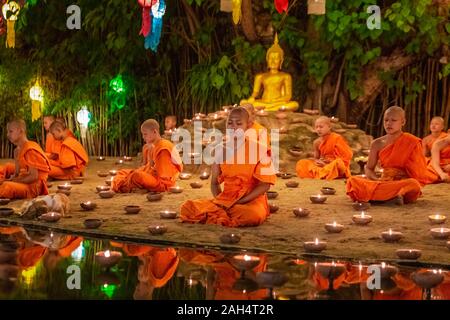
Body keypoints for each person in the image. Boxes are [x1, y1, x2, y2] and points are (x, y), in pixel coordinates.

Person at [180, 107, 276, 227]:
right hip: (226, 198)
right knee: (188, 208)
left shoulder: (259, 149)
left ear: (248, 126)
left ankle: (224, 213)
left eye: (239, 123)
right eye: (230, 123)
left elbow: (265, 185)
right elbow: (214, 183)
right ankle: (223, 211)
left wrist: (241, 201)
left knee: (252, 215)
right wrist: (220, 201)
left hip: (250, 201)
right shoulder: (220, 149)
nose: (233, 127)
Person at [346, 106, 438, 205]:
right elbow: (369, 168)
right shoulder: (377, 143)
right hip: (384, 182)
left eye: (393, 120)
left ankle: (378, 198)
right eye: (386, 120)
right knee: (353, 180)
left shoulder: (412, 142)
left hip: (402, 184)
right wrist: (377, 180)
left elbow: (419, 174)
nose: (388, 123)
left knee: (413, 184)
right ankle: (388, 198)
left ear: (403, 122)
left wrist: (401, 178)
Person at [112, 119, 182, 193]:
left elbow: (164, 176)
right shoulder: (148, 146)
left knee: (136, 176)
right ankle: (129, 184)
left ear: (155, 132)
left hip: (162, 183)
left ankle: (124, 186)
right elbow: (146, 166)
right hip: (150, 175)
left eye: (145, 134)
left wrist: (146, 170)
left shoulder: (163, 148)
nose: (143, 137)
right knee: (122, 172)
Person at [240, 34, 299, 112]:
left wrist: (276, 100)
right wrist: (252, 98)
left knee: (294, 104)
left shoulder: (285, 76)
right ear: (267, 60)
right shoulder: (260, 76)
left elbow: (288, 96)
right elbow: (255, 92)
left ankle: (265, 109)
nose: (273, 61)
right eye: (271, 58)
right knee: (243, 102)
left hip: (278, 102)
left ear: (281, 61)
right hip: (264, 102)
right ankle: (273, 109)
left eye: (276, 59)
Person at [0, 119, 50, 199]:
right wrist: (9, 179)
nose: (8, 135)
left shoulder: (30, 149)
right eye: (7, 132)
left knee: (6, 186)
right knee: (4, 182)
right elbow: (16, 174)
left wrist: (12, 181)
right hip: (23, 183)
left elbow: (34, 177)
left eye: (11, 131)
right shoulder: (16, 151)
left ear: (20, 131)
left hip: (33, 187)